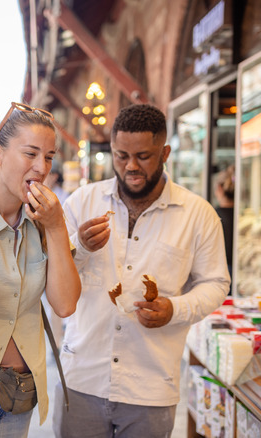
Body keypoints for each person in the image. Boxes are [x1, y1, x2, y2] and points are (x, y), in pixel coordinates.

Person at [54, 104, 230, 437]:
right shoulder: (82, 202)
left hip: (150, 384)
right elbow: (53, 272)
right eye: (121, 156)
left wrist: (175, 309)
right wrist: (79, 246)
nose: (131, 167)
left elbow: (216, 282)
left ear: (164, 152)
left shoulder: (197, 214)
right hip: (82, 376)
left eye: (144, 157)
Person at [0, 102, 81, 436]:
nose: (41, 167)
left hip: (20, 394)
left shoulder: (41, 222)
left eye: (48, 157)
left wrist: (57, 226)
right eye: (30, 153)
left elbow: (64, 305)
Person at [214, 165, 234, 282]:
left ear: (219, 189)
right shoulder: (243, 216)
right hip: (238, 271)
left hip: (219, 272)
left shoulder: (212, 215)